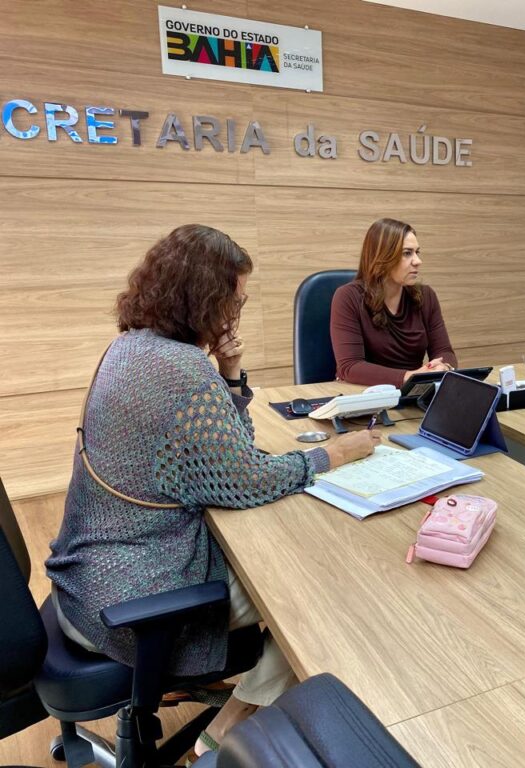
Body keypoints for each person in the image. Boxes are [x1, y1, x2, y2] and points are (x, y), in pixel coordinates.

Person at [46, 224, 381, 759]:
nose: (236, 313)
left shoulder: (129, 347)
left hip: (85, 575)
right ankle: (230, 725)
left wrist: (229, 372)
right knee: (321, 583)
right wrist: (331, 455)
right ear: (205, 298)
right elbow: (244, 480)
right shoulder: (182, 372)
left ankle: (234, 698)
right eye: (235, 300)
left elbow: (227, 453)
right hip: (130, 600)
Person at [331, 218, 457, 387]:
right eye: (407, 253)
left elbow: (444, 351)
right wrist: (410, 376)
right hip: (363, 392)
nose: (417, 261)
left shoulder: (426, 296)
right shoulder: (348, 297)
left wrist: (444, 367)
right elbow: (350, 366)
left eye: (417, 252)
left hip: (412, 391)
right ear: (382, 257)